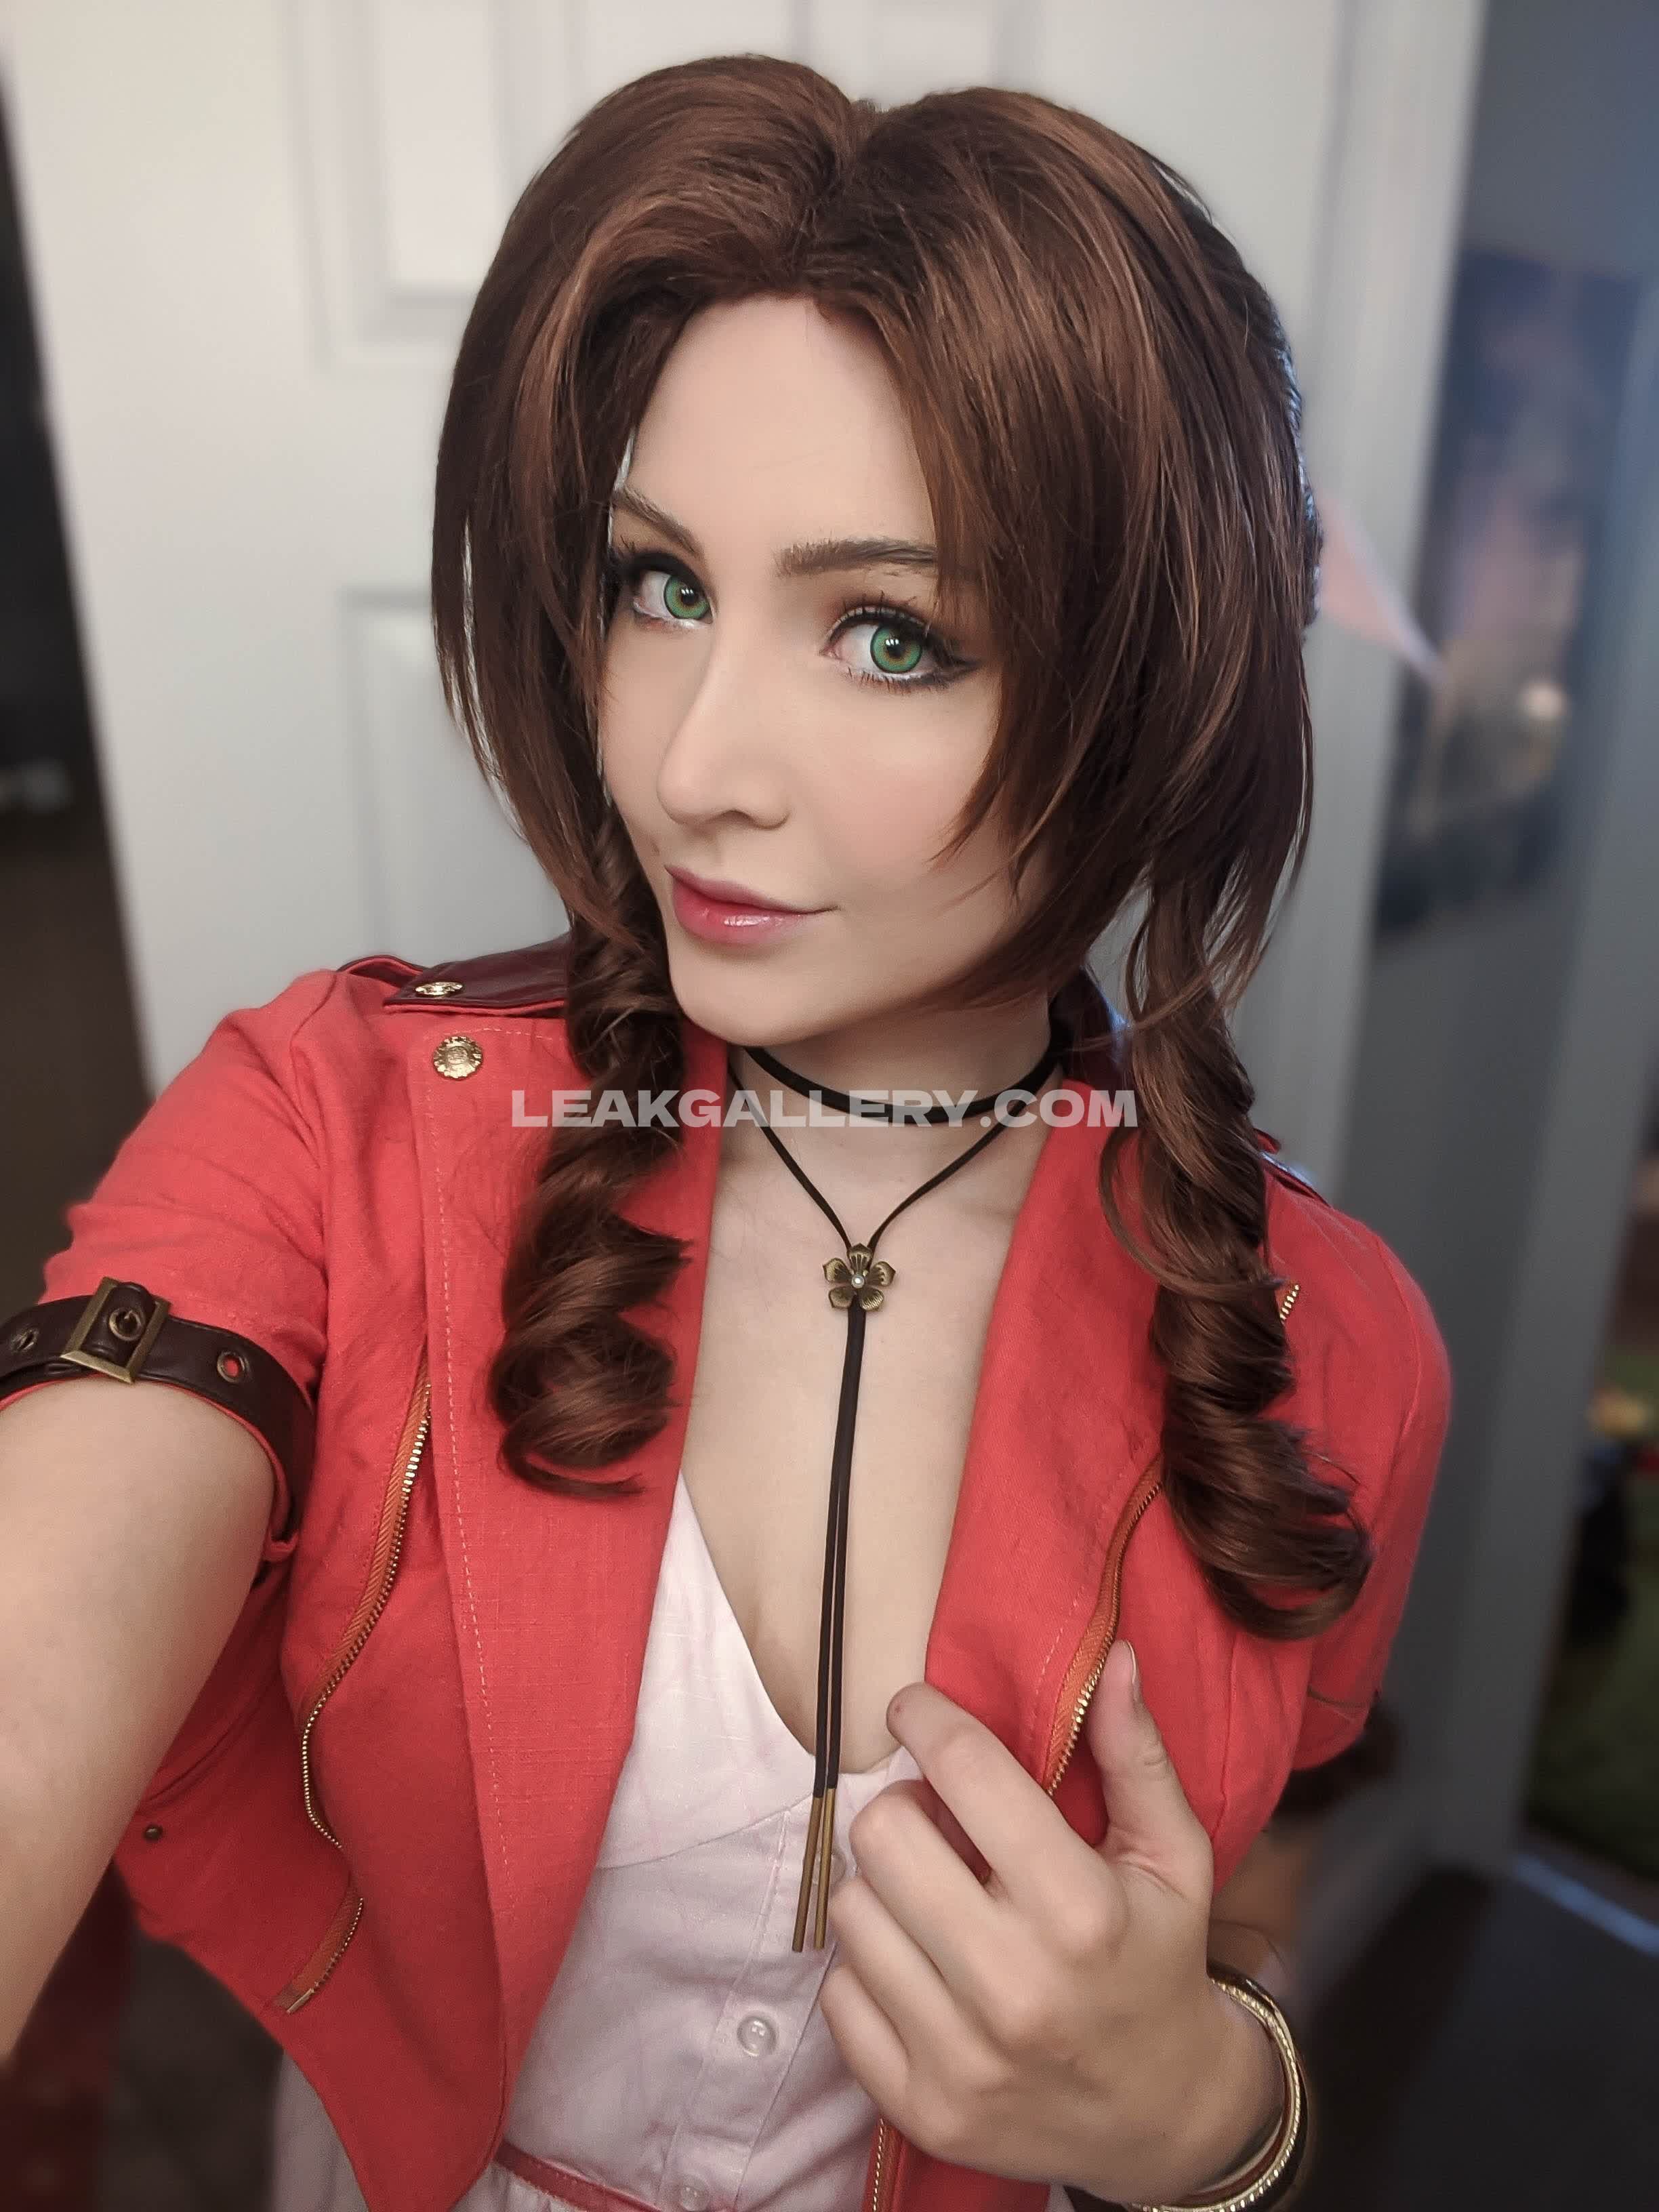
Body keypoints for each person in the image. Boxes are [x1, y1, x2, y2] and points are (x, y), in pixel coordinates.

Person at [0, 52, 1452, 2212]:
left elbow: (1244, 1922)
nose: (689, 767)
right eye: (661, 584)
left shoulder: (1341, 1345)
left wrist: (1211, 2121)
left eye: (890, 634)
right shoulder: (329, 1124)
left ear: (1154, 694)